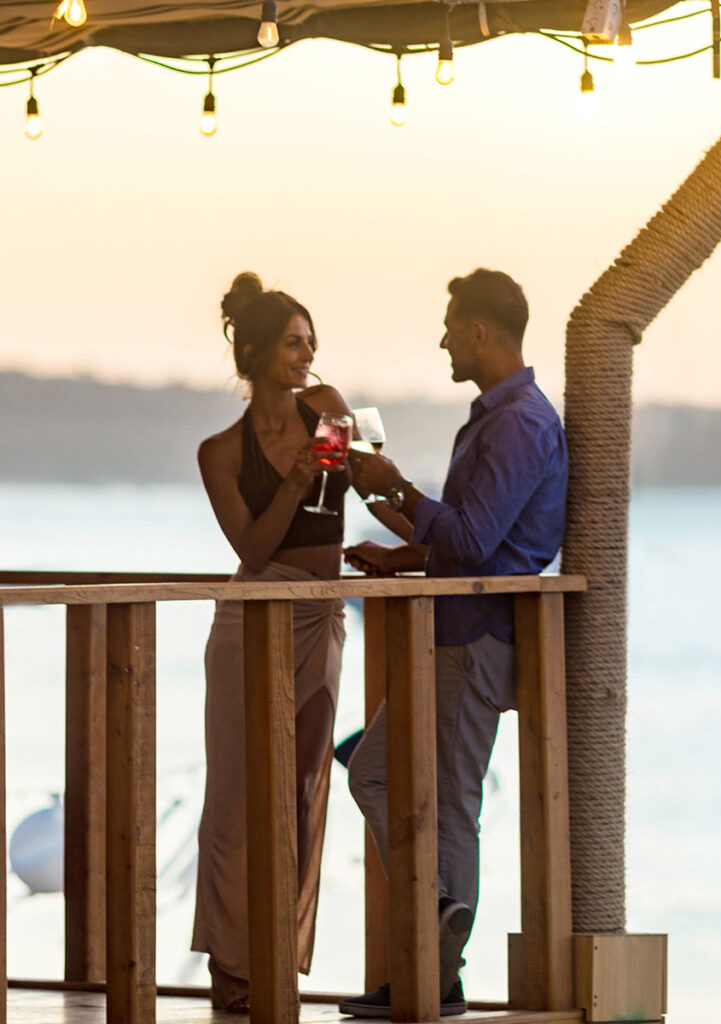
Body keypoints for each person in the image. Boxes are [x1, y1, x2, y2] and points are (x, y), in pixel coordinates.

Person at [339, 268, 568, 1018]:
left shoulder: (520, 423)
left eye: (449, 326)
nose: (441, 338)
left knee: (450, 805)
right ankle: (437, 937)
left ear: (479, 331)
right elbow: (473, 537)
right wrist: (401, 551)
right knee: (374, 774)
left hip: (477, 638)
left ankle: (434, 964)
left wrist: (399, 489)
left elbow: (472, 539)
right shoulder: (498, 417)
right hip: (453, 626)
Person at [191, 272, 353, 1013]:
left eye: (311, 341)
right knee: (234, 795)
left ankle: (278, 955)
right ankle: (229, 961)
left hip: (321, 614)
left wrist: (373, 471)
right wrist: (292, 479)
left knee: (303, 791)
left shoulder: (332, 410)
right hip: (251, 618)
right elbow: (253, 550)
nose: (308, 353)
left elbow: (375, 482)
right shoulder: (219, 452)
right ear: (254, 354)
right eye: (293, 343)